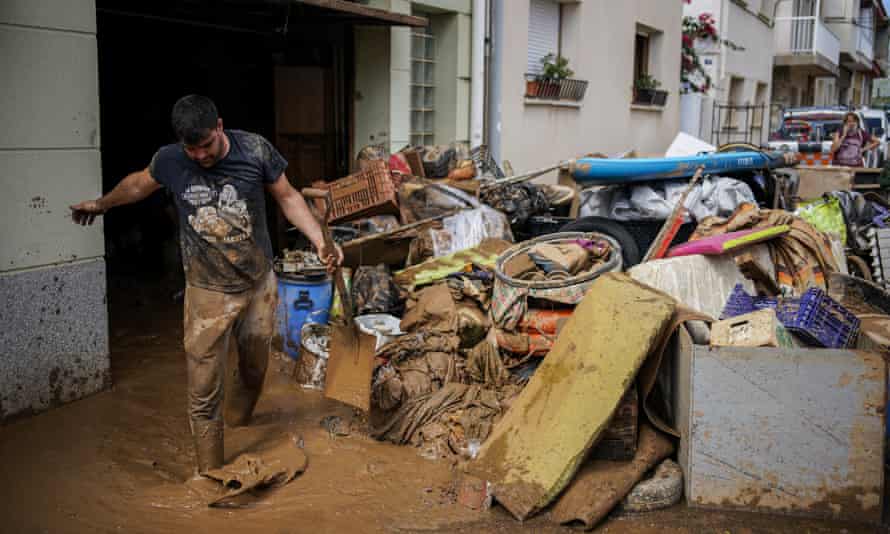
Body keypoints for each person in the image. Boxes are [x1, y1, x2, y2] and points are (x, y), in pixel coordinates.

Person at [70, 95, 343, 479]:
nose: (200, 156)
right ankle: (210, 472)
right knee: (203, 389)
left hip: (258, 284)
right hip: (207, 291)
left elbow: (288, 196)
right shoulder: (169, 160)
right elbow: (137, 185)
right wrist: (102, 204)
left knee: (254, 369)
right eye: (191, 149)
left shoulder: (254, 149)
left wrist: (318, 241)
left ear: (219, 126)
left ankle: (238, 425)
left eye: (206, 146)